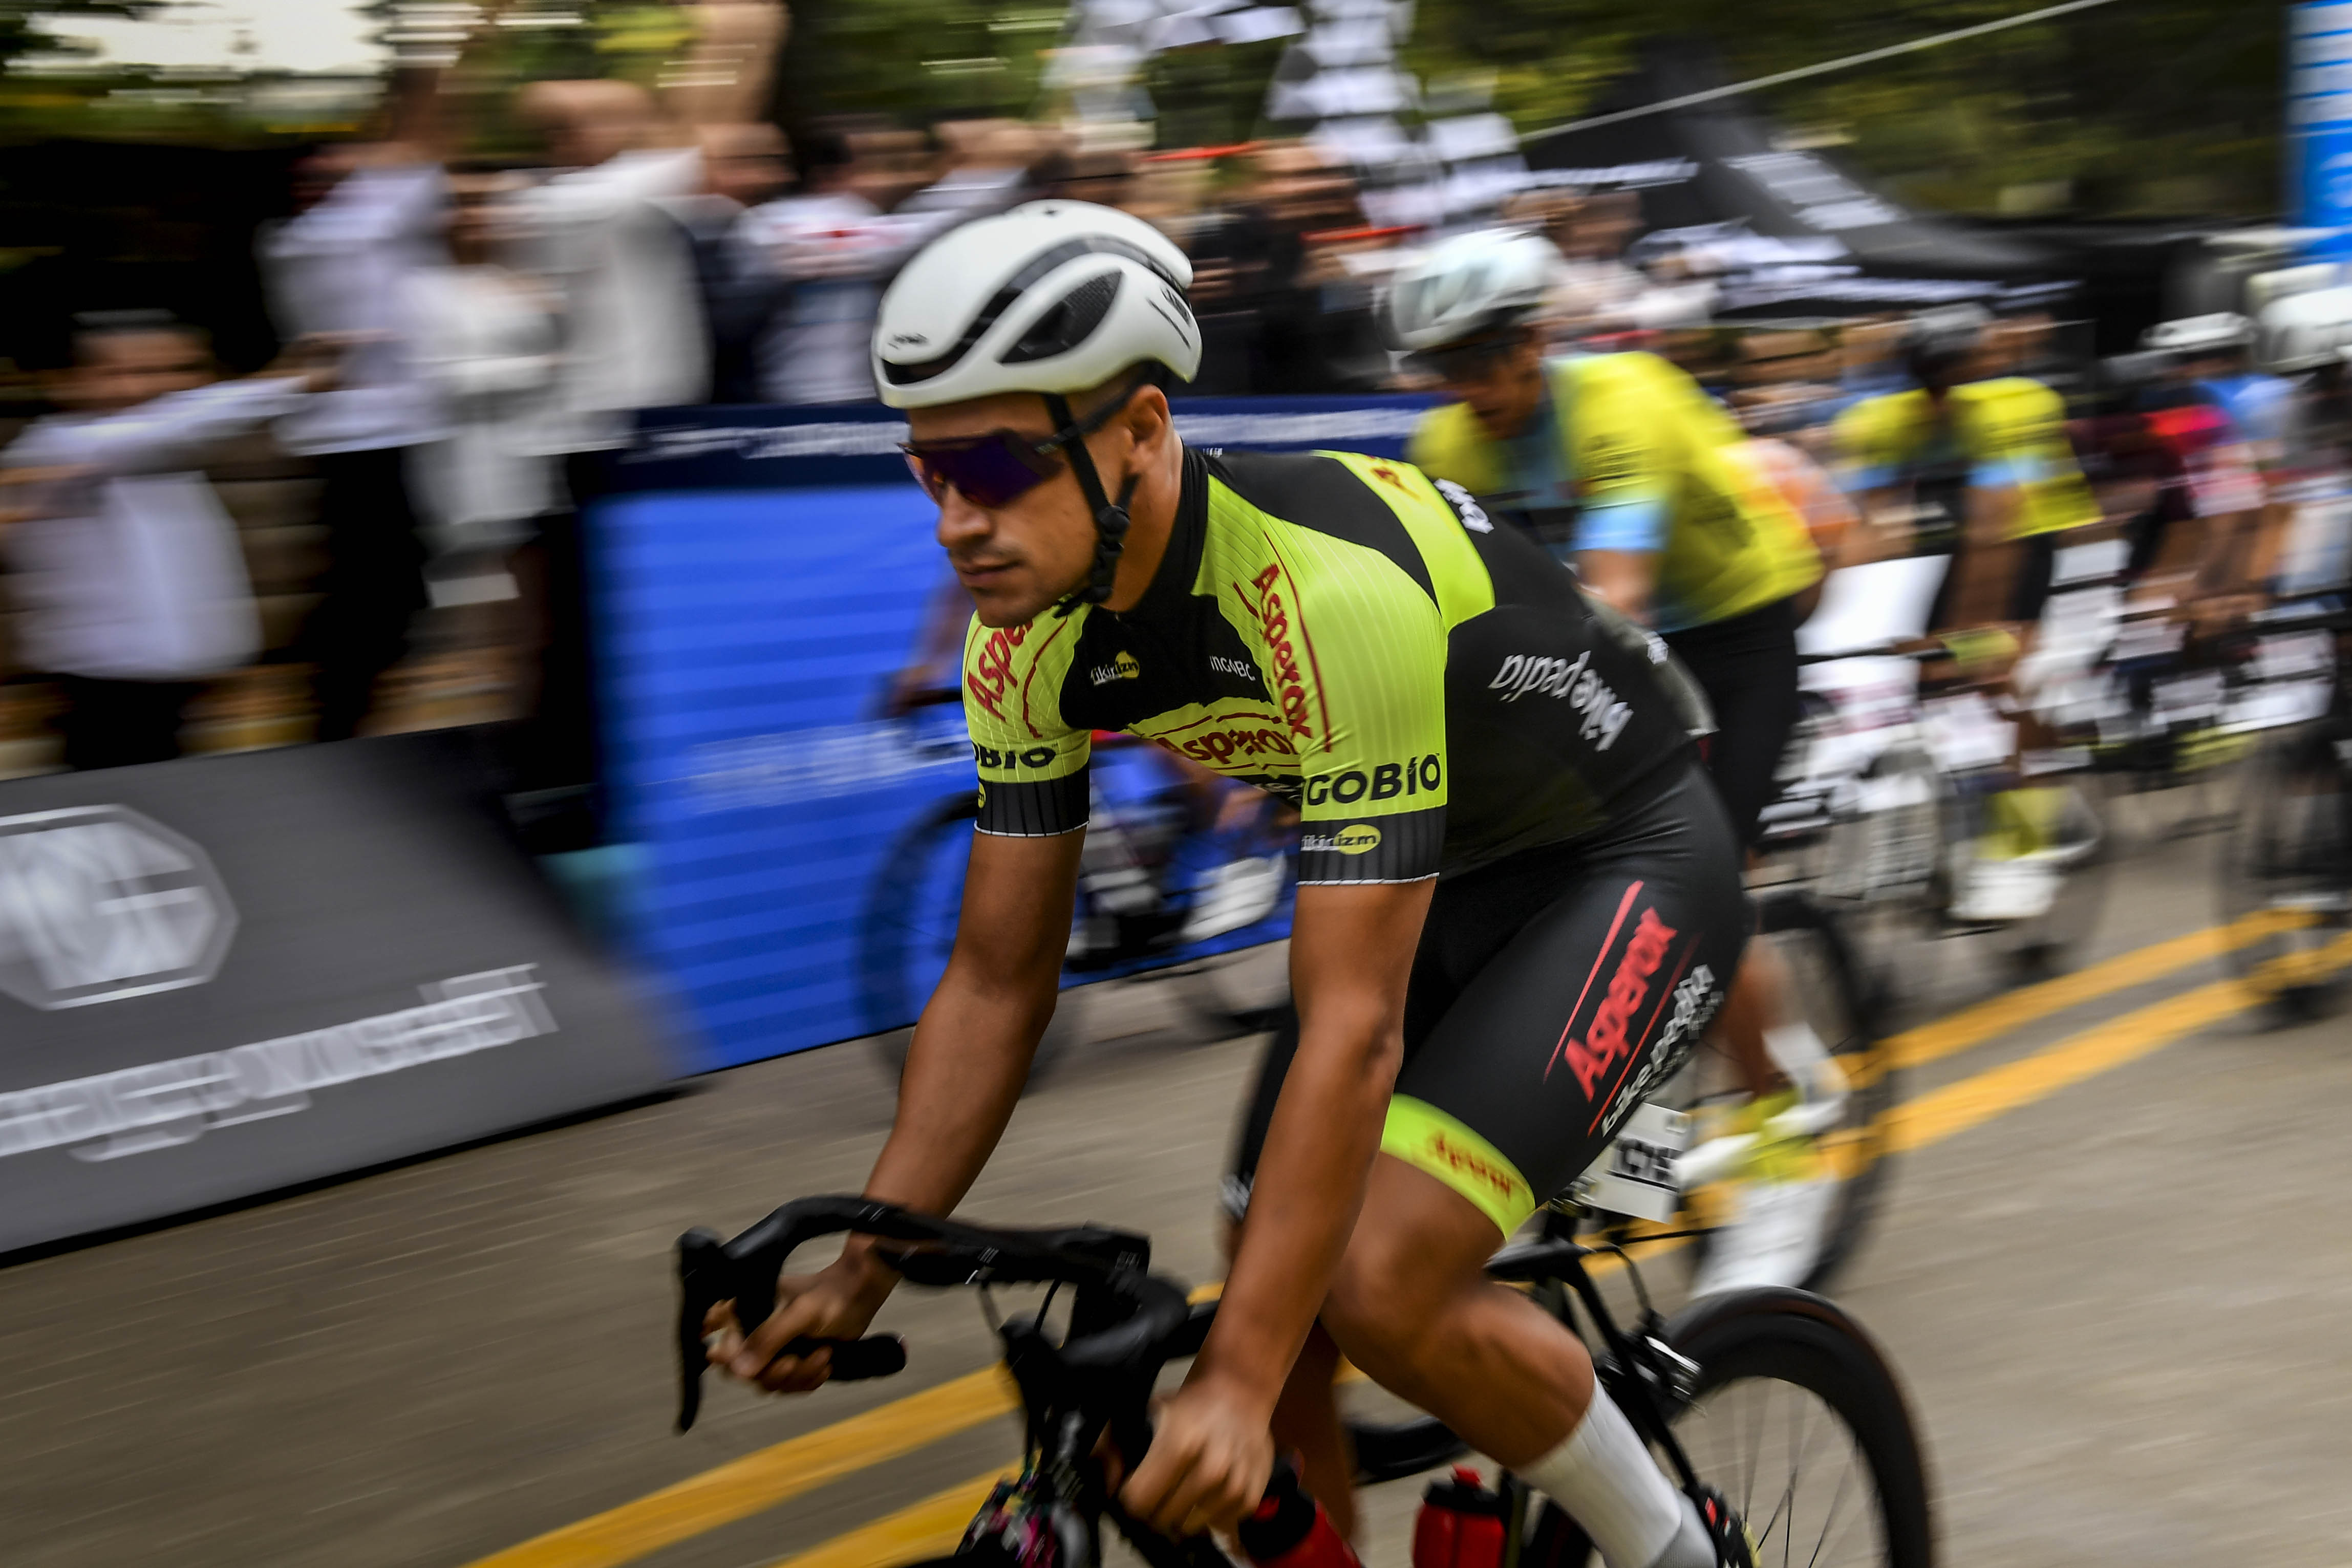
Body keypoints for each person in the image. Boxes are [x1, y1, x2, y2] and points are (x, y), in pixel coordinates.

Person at [707, 202, 1754, 1568]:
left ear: (1141, 430)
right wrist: (863, 1270)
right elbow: (998, 981)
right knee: (1265, 1261)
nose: (959, 519)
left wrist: (1238, 1380)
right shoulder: (1023, 642)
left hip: (1620, 859)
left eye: (998, 462)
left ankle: (1675, 1551)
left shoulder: (1326, 591)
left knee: (1373, 1284)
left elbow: (1353, 1029)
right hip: (1439, 878)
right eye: (929, 470)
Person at [1390, 228, 1841, 1294]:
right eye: (1445, 366)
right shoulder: (1443, 441)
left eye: (1483, 357)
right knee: (1580, 897)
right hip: (1605, 647)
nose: (1467, 387)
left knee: (1695, 882)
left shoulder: (1622, 401)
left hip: (1731, 633)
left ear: (1533, 340)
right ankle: (1635, 1155)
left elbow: (1616, 593)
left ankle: (1784, 1128)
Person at [2, 314, 336, 769]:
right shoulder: (62, 446)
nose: (162, 386)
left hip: (176, 674)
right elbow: (173, 428)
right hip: (107, 677)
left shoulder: (169, 454)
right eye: (132, 372)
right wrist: (290, 382)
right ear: (68, 382)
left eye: (182, 370)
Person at [260, 121, 450, 741]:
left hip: (392, 431)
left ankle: (350, 705)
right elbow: (416, 167)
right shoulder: (307, 239)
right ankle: (336, 715)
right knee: (373, 589)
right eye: (325, 177)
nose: (342, 185)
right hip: (354, 438)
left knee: (392, 585)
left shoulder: (353, 230)